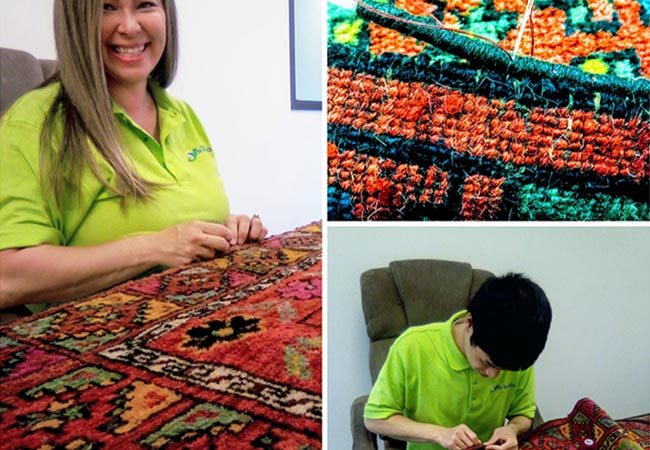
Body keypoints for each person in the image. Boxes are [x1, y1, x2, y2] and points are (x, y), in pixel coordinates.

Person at [0, 0, 267, 313]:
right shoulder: (34, 123)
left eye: (145, 5)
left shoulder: (183, 114)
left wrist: (228, 231)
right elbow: (8, 278)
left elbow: (181, 226)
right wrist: (153, 247)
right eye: (107, 7)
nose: (129, 26)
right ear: (76, 22)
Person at [364, 273, 552, 450]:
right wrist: (439, 434)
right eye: (489, 363)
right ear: (469, 324)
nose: (494, 375)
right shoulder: (412, 347)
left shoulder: (514, 355)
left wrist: (512, 429)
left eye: (507, 369)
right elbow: (374, 419)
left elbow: (523, 413)